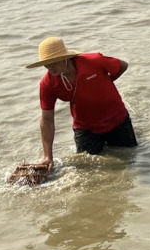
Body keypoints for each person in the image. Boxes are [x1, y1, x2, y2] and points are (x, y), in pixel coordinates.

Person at [30, 36, 137, 167]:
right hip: (86, 129)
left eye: (53, 61)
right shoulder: (47, 84)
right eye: (46, 63)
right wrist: (48, 157)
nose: (49, 67)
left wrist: (105, 82)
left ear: (64, 57)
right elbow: (47, 121)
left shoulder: (94, 61)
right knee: (88, 170)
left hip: (117, 121)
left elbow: (123, 65)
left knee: (129, 162)